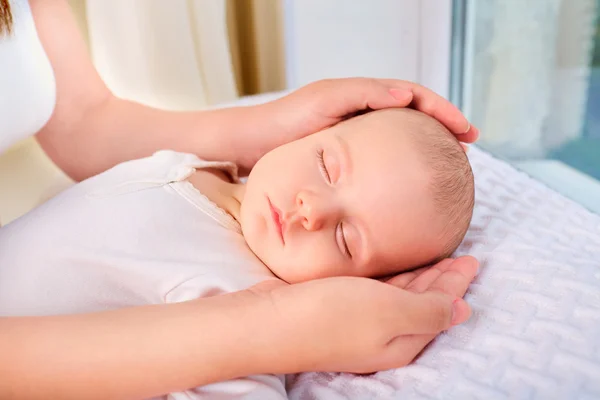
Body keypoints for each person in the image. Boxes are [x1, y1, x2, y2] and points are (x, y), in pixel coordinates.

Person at [0, 1, 480, 399]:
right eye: (326, 166)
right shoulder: (192, 171)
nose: (311, 210)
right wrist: (266, 328)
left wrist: (274, 329)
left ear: (362, 283)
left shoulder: (240, 288)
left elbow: (82, 118)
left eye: (345, 238)